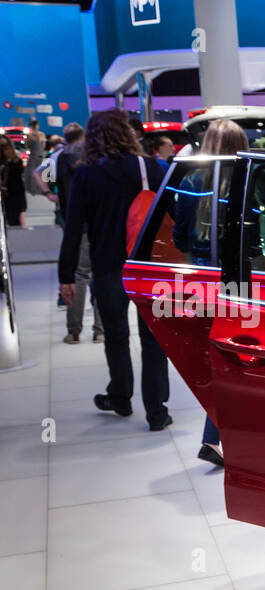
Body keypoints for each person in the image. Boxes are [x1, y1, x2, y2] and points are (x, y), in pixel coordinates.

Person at [57, 109, 171, 429]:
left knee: (116, 335)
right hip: (149, 266)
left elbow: (74, 228)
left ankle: (120, 397)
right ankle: (157, 411)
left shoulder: (85, 175)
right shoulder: (151, 167)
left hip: (108, 266)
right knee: (153, 338)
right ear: (127, 132)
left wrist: (66, 275)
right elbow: (171, 216)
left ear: (92, 138)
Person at [173, 119, 247, 465]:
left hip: (200, 280)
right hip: (239, 283)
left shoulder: (190, 180)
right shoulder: (248, 182)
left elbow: (179, 238)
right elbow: (257, 237)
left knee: (213, 359)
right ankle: (218, 438)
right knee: (235, 362)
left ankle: (216, 437)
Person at [52, 123, 103, 344]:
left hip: (75, 223)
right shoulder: (96, 158)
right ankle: (100, 330)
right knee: (99, 275)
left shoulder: (60, 157)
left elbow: (53, 186)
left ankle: (74, 331)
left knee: (79, 276)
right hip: (98, 225)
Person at [0, 136, 26, 228]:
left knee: (13, 220)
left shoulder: (15, 162)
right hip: (9, 195)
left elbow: (17, 181)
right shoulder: (13, 162)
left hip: (12, 196)